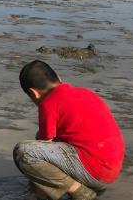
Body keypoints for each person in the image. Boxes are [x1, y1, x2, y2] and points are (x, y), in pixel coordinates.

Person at [14, 60, 124, 200]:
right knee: (43, 141)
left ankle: (80, 192)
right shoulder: (84, 92)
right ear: (59, 78)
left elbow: (44, 143)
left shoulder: (48, 103)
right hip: (111, 168)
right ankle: (86, 186)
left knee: (24, 152)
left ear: (33, 92)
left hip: (93, 169)